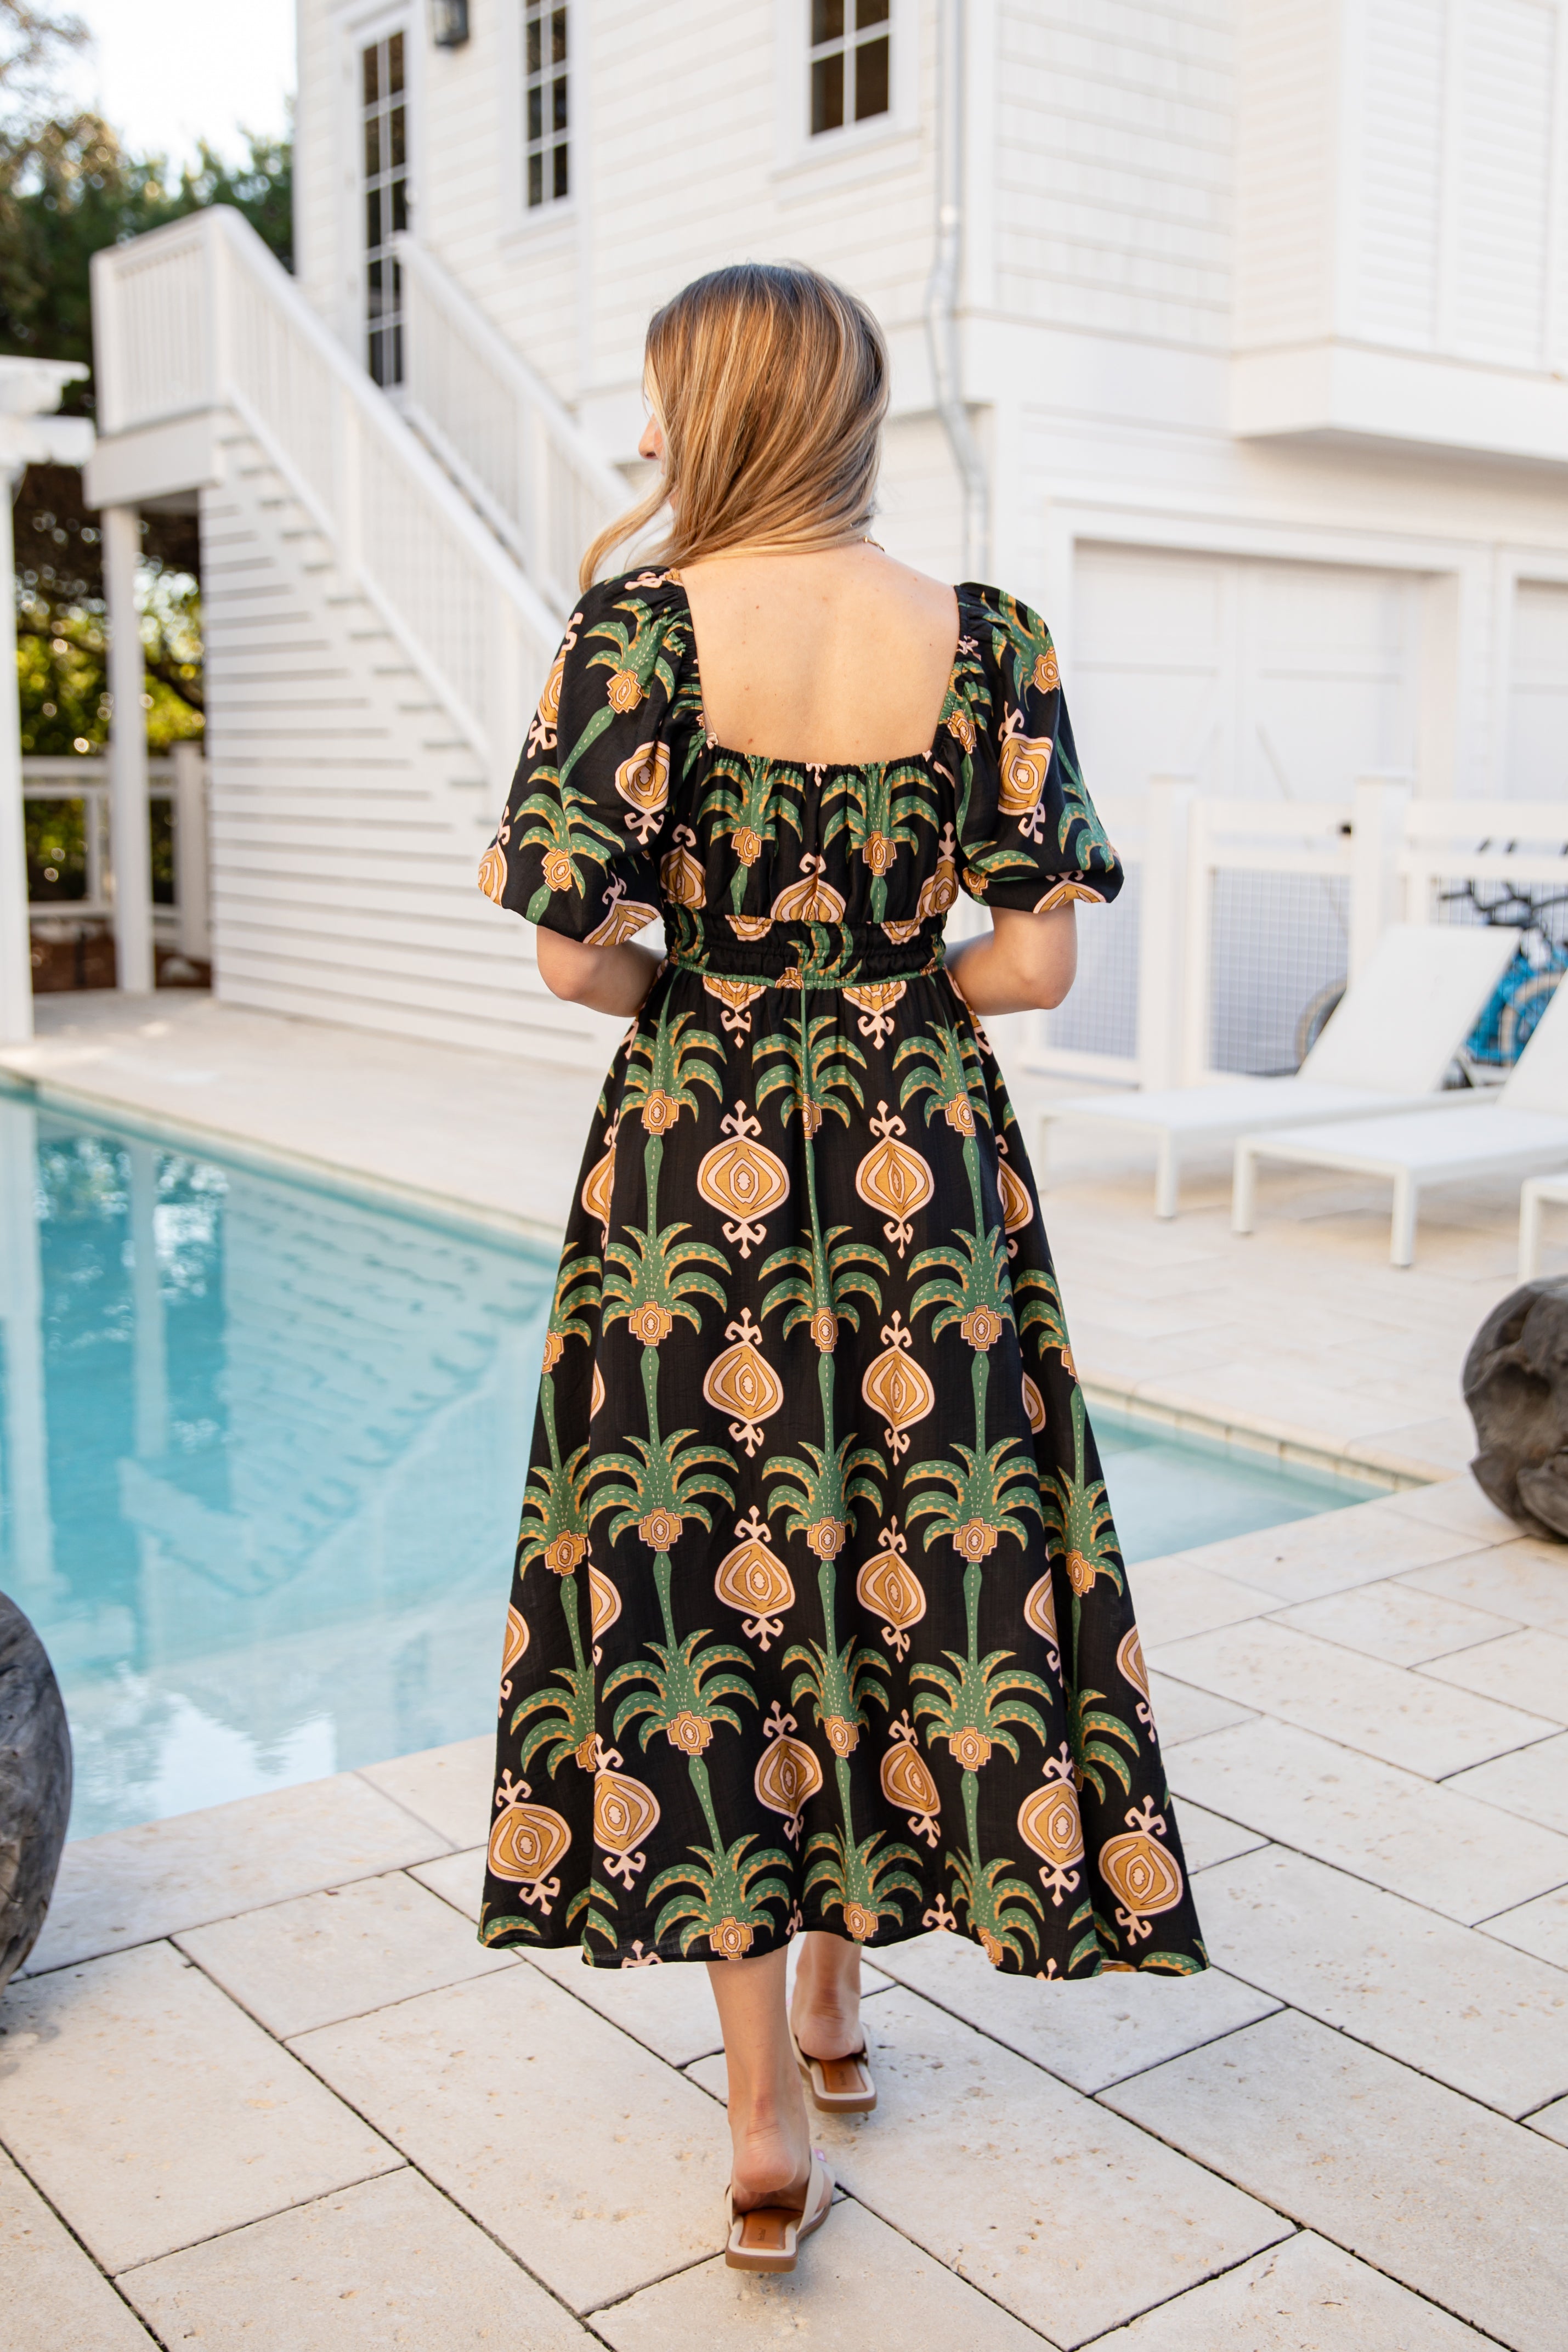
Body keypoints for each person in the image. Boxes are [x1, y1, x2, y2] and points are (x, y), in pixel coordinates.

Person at [475, 261, 1207, 2274]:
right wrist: (885, 993)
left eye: (652, 400)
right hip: (925, 1174)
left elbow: (570, 956)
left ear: (708, 413)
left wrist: (711, 989)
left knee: (710, 1578)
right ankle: (844, 1991)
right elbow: (1037, 961)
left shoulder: (629, 636)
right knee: (911, 1554)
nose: (638, 435)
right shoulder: (985, 637)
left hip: (688, 1174)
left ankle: (763, 2123)